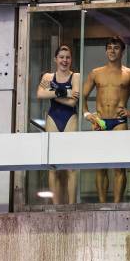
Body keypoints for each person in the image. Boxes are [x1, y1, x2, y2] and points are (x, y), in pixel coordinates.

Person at [82, 36, 130, 203]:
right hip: (100, 122)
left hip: (118, 122)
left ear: (122, 51)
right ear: (106, 50)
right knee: (100, 167)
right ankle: (102, 205)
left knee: (119, 167)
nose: (112, 51)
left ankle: (117, 205)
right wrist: (87, 114)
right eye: (109, 47)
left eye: (116, 47)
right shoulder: (96, 73)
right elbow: (82, 96)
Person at [36, 45, 80, 205]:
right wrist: (64, 93)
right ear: (56, 59)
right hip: (53, 118)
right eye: (61, 57)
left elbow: (73, 102)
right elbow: (39, 94)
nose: (64, 60)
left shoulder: (76, 76)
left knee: (71, 166)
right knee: (53, 165)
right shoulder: (48, 76)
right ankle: (55, 206)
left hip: (70, 118)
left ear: (71, 60)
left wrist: (54, 94)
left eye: (67, 57)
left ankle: (72, 205)